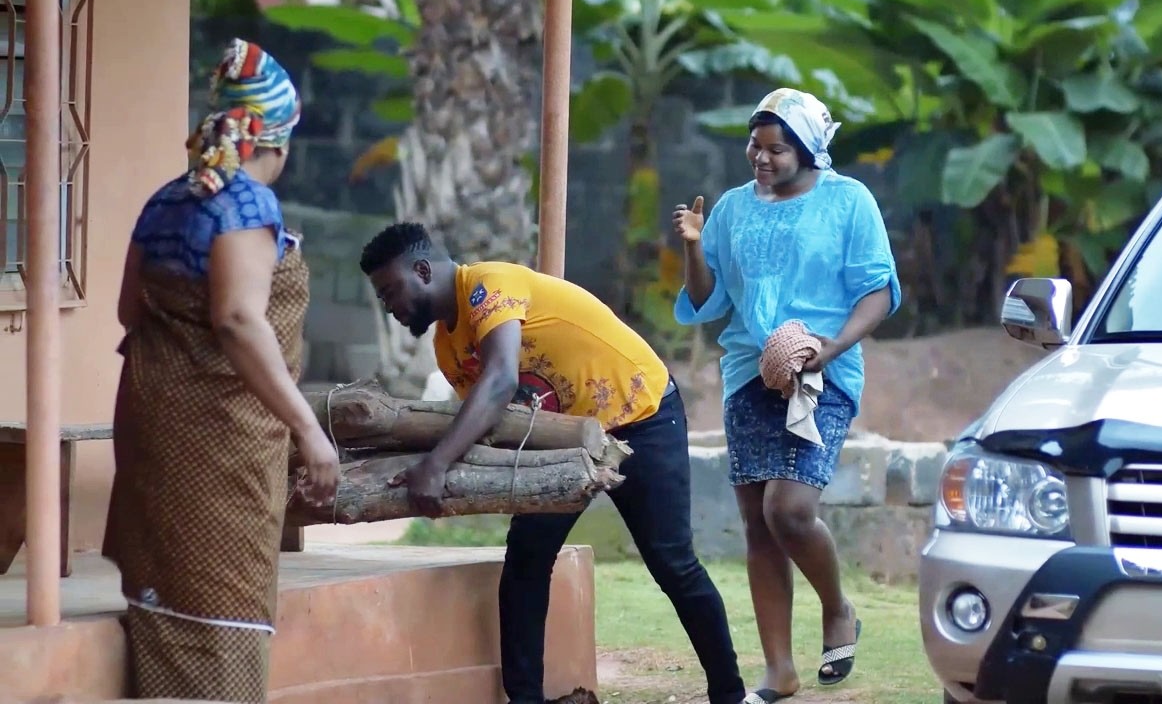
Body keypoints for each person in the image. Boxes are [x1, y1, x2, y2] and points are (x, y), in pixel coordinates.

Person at [358, 222, 748, 704]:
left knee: (672, 563)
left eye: (389, 290)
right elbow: (495, 420)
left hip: (640, 415)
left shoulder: (487, 285)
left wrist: (436, 465)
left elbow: (500, 382)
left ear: (422, 270)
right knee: (526, 561)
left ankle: (729, 695)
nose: (388, 306)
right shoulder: (447, 347)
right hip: (561, 441)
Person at [103, 38, 339, 703]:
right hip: (218, 446)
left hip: (154, 425)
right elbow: (237, 319)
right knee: (220, 607)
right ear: (276, 142)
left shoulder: (166, 201)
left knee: (164, 598)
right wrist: (309, 430)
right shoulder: (244, 206)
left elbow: (128, 311)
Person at [672, 87, 901, 703]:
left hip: (823, 370)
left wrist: (833, 346)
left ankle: (837, 607)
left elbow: (878, 291)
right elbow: (706, 299)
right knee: (757, 523)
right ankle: (779, 670)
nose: (762, 158)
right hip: (749, 372)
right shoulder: (731, 209)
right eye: (755, 145)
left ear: (809, 150)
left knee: (789, 509)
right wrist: (694, 245)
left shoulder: (849, 201)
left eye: (776, 149)